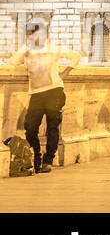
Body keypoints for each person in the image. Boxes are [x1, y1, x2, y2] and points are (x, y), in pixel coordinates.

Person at [8, 23, 81, 173]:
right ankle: (36, 158)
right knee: (30, 128)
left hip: (54, 91)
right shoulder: (27, 51)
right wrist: (25, 47)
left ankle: (48, 161)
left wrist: (65, 73)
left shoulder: (53, 49)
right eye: (30, 35)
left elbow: (75, 56)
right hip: (36, 93)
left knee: (52, 127)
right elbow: (13, 61)